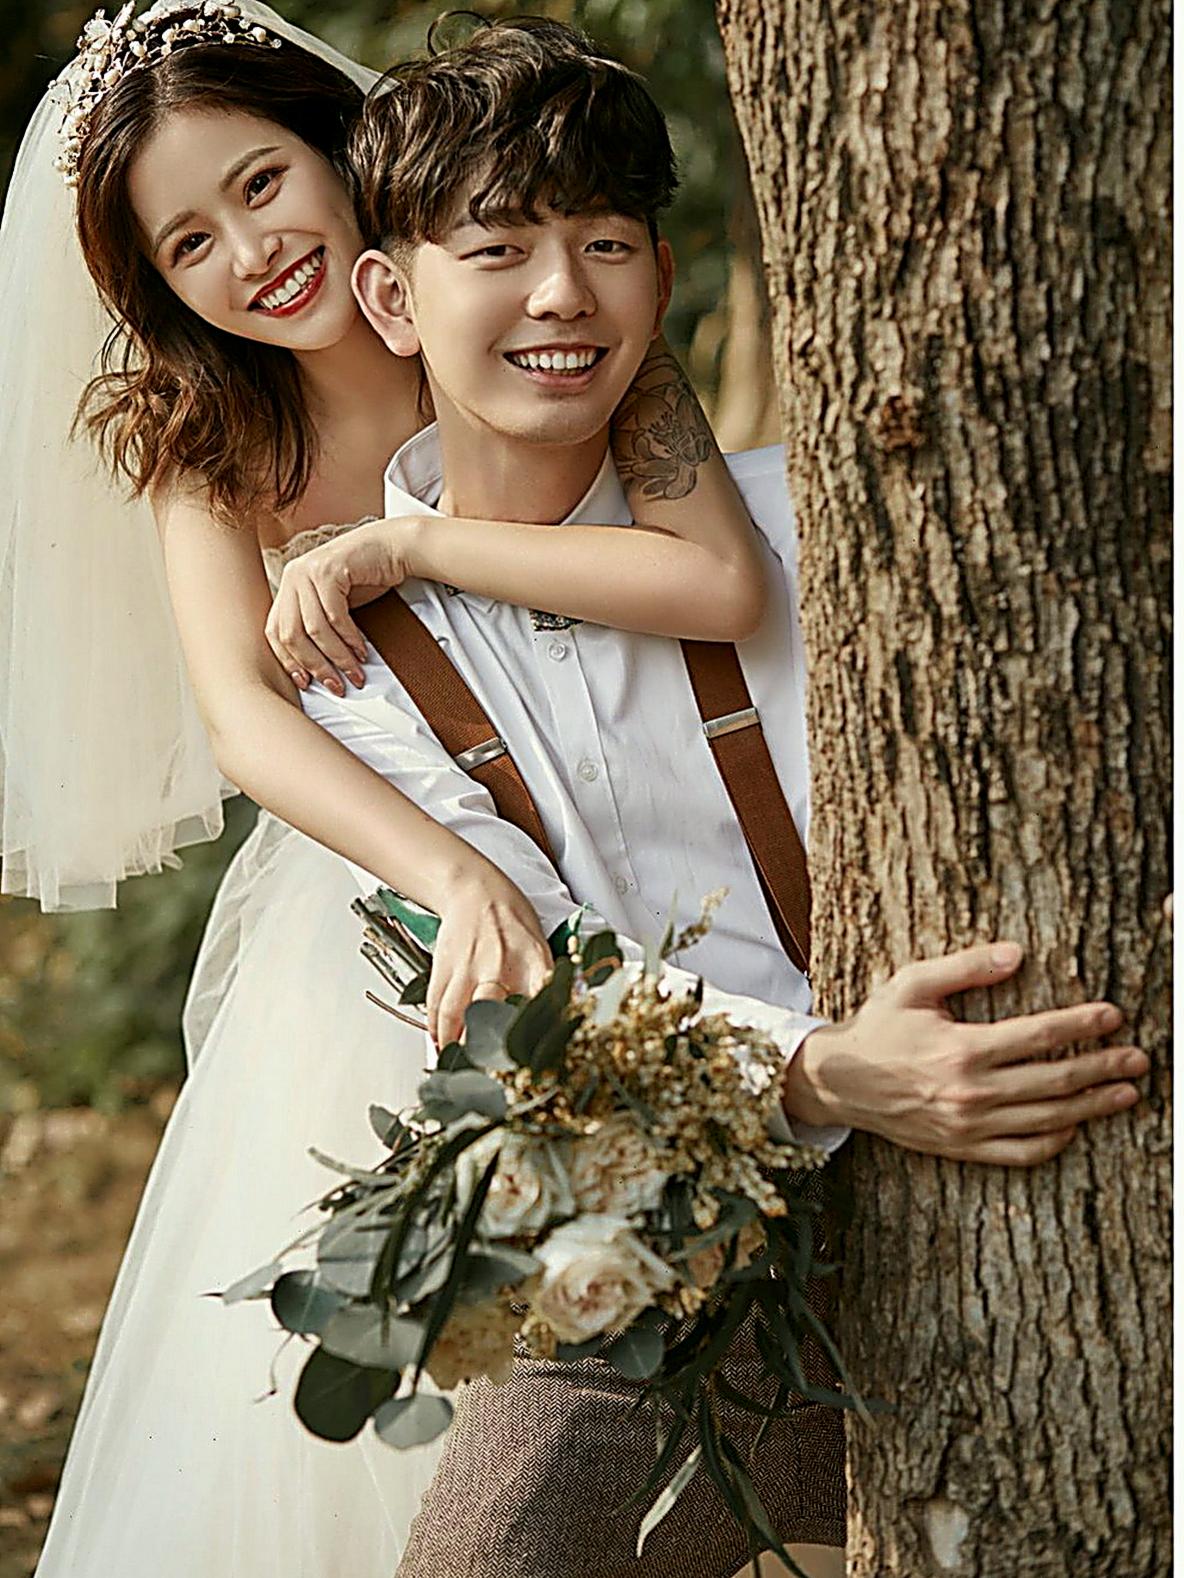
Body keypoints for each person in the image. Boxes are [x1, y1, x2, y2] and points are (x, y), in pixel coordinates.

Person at [293, 19, 1151, 1577]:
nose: (564, 292)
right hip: (658, 1234)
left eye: (606, 242)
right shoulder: (354, 667)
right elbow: (529, 993)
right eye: (498, 247)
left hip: (1002, 1190)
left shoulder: (813, 520)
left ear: (662, 273)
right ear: (390, 297)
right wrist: (828, 1074)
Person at [6, 4, 797, 1575]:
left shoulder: (525, 303)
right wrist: (446, 869)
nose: (252, 252)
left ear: (333, 147)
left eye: (261, 183)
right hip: (379, 851)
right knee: (437, 1330)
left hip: (642, 796)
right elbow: (247, 720)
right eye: (189, 243)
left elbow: (715, 580)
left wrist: (412, 543)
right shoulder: (207, 436)